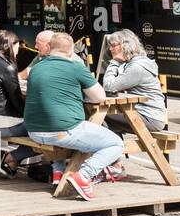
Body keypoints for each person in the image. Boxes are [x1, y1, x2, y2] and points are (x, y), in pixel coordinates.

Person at [23, 32, 123, 201]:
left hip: (33, 131)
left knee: (86, 138)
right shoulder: (76, 67)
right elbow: (100, 97)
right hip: (63, 130)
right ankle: (84, 176)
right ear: (70, 51)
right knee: (116, 143)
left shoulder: (36, 68)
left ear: (50, 48)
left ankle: (59, 171)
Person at [0, 30, 37, 177]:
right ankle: (13, 158)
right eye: (18, 47)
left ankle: (13, 161)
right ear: (11, 45)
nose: (18, 51)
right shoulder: (8, 67)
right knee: (44, 129)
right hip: (2, 124)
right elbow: (16, 99)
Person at [101, 29, 167, 134]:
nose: (110, 49)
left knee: (99, 113)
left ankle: (114, 146)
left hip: (149, 118)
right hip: (143, 114)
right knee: (105, 117)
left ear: (125, 45)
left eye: (114, 45)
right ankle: (116, 146)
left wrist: (114, 62)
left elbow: (109, 86)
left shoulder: (137, 67)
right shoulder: (134, 62)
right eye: (110, 46)